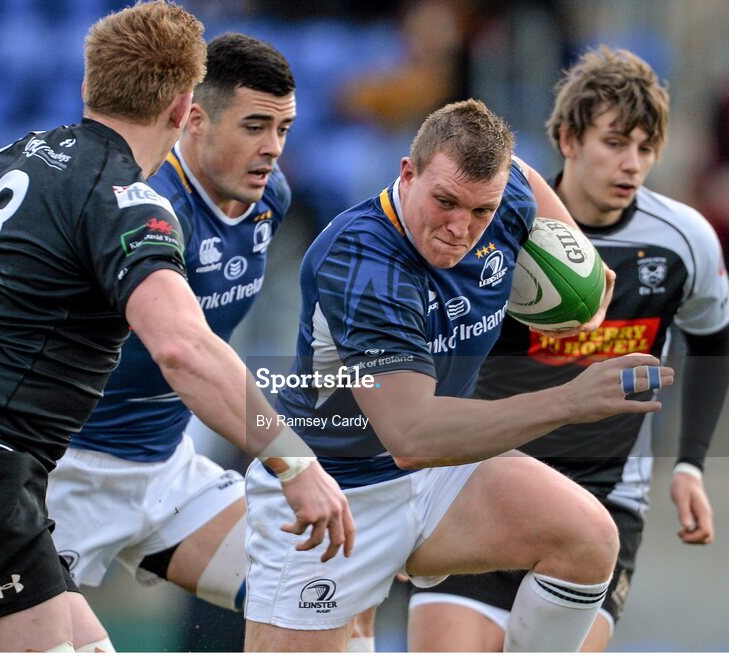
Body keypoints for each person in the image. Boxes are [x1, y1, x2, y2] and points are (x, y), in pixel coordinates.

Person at [0, 4, 353, 652]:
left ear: (89, 87)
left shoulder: (30, 153)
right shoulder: (131, 204)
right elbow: (182, 347)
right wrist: (293, 463)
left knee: (313, 594)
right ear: (182, 109)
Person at [243, 97, 675, 652]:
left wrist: (584, 275)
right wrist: (570, 400)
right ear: (408, 172)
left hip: (443, 478)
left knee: (588, 539)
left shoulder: (505, 191)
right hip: (335, 494)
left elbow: (518, 173)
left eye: (481, 211)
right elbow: (411, 437)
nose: (459, 228)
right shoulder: (363, 262)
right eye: (445, 201)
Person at [40, 31, 380, 652]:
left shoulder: (268, 200)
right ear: (193, 119)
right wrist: (296, 462)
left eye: (284, 128)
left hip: (164, 471)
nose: (272, 149)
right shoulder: (144, 205)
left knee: (333, 590)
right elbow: (185, 354)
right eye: (255, 126)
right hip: (64, 475)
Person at [406, 47, 729, 652]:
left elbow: (714, 338)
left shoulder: (684, 239)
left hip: (601, 499)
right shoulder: (490, 225)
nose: (631, 163)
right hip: (483, 484)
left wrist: (691, 463)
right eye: (614, 142)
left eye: (645, 147)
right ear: (567, 138)